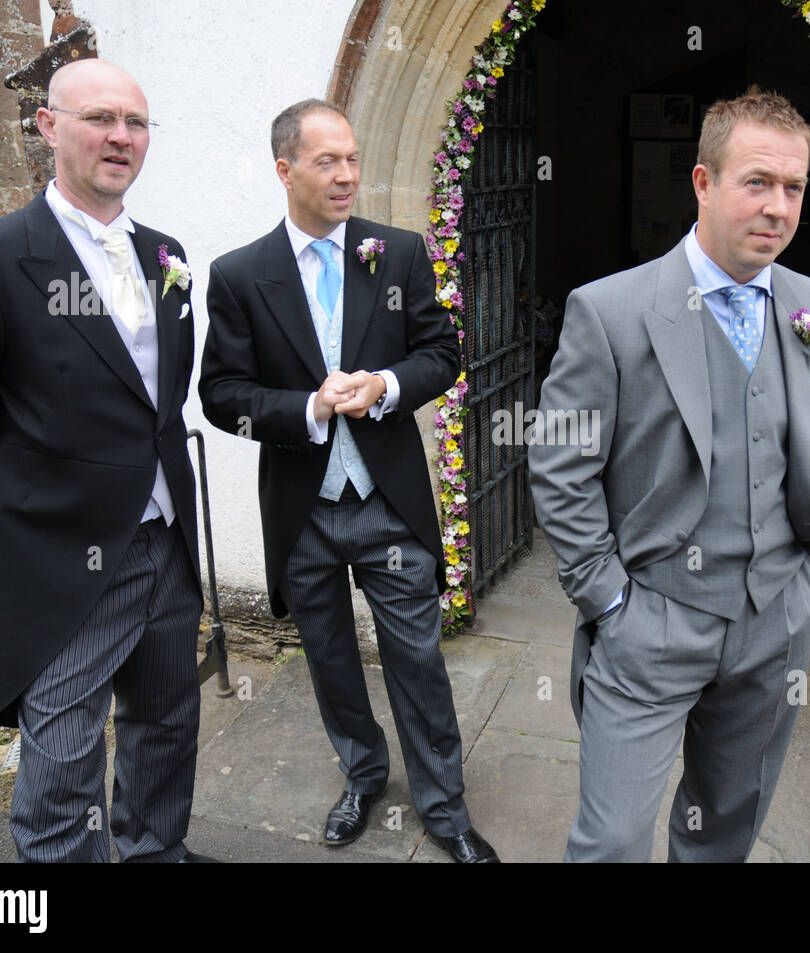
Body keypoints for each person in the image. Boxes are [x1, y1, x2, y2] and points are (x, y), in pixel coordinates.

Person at [529, 87, 810, 862]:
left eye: (794, 187)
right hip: (652, 617)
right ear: (704, 182)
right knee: (610, 839)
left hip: (776, 615)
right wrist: (610, 598)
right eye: (757, 182)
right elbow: (560, 464)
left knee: (724, 826)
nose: (778, 207)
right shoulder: (610, 309)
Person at [0, 59, 206, 862]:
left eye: (136, 123)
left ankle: (154, 852)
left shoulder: (167, 254)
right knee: (63, 768)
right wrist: (26, 503)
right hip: (63, 557)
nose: (120, 136)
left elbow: (161, 402)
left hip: (168, 544)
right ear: (47, 125)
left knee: (165, 729)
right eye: (99, 118)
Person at [198, 99, 497, 863]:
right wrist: (306, 407)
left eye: (354, 159)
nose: (346, 175)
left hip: (387, 504)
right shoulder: (239, 275)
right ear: (284, 168)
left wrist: (387, 386)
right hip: (303, 513)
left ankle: (445, 807)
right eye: (328, 160)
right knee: (329, 659)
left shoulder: (395, 253)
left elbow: (441, 351)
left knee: (418, 662)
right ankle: (362, 776)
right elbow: (222, 394)